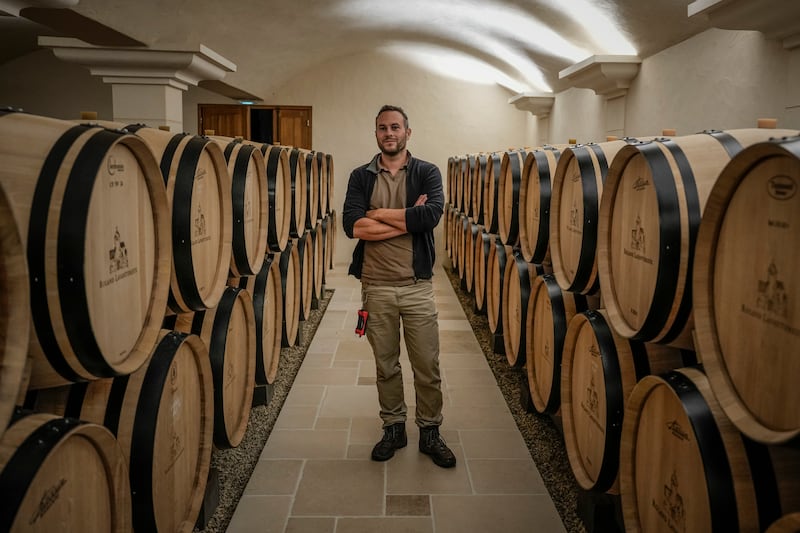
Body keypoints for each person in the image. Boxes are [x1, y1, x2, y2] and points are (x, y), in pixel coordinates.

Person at [342, 104, 455, 468]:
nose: (389, 133)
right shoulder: (361, 177)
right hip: (375, 287)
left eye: (395, 127)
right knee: (385, 364)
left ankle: (430, 430)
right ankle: (393, 427)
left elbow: (430, 215)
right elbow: (353, 227)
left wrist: (377, 215)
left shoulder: (426, 173)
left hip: (416, 286)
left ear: (408, 132)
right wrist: (407, 219)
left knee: (427, 364)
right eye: (382, 128)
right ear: (375, 133)